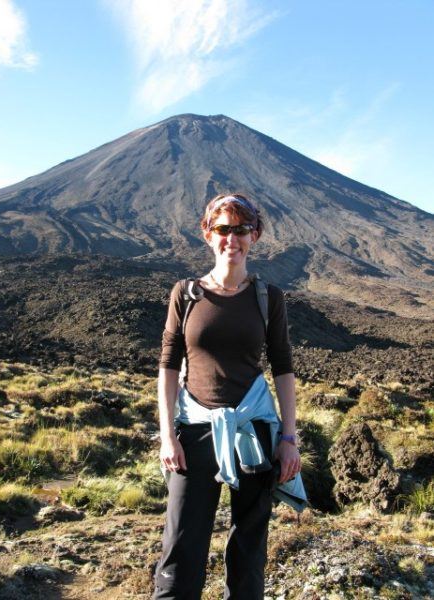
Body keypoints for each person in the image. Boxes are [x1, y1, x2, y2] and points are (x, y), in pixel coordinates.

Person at [154, 193, 300, 599]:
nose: (231, 239)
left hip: (253, 432)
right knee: (181, 545)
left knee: (249, 550)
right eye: (223, 229)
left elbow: (283, 367)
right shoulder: (185, 294)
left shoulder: (268, 297)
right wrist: (168, 436)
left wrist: (289, 439)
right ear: (207, 233)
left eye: (241, 230)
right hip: (195, 432)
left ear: (255, 235)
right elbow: (168, 366)